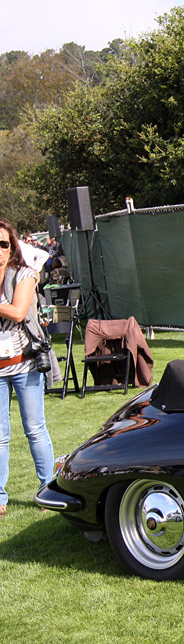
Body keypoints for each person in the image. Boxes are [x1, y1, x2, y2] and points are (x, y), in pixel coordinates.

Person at [0, 218, 54, 518]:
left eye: (3, 244)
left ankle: (48, 489)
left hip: (24, 364)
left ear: (13, 246)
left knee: (34, 429)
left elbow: (19, 312)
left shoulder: (24, 274)